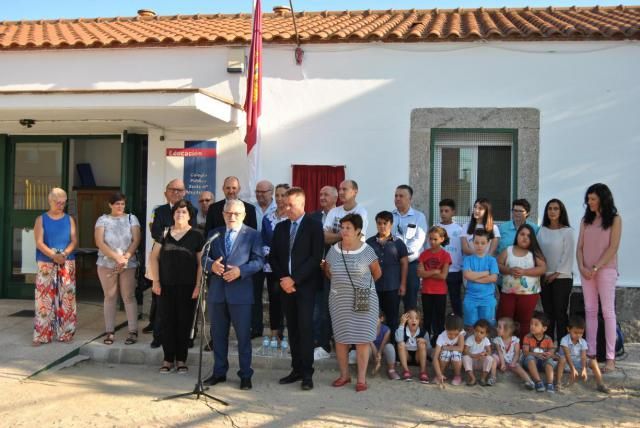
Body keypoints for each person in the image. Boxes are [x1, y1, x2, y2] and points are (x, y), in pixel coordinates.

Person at [203, 200, 264, 390]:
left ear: (244, 215)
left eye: (236, 214)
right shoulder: (214, 234)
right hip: (217, 294)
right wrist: (211, 265)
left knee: (243, 337)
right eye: (228, 213)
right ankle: (219, 372)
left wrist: (241, 271)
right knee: (218, 335)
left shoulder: (253, 235)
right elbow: (204, 258)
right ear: (222, 214)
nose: (232, 217)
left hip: (241, 294)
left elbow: (259, 261)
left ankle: (245, 374)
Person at [270, 187, 324, 391]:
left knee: (305, 329)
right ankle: (296, 369)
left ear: (302, 204)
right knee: (291, 329)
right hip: (286, 287)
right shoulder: (281, 228)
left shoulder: (314, 226)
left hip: (305, 287)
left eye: (290, 204)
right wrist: (284, 279)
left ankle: (307, 374)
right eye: (284, 204)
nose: (286, 208)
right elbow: (273, 257)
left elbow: (315, 258)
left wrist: (294, 279)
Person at [324, 214, 381, 392]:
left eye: (348, 227)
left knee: (362, 340)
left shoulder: (367, 250)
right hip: (339, 300)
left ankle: (361, 379)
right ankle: (344, 375)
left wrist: (361, 287)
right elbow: (327, 272)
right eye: (342, 227)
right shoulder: (333, 250)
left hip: (364, 300)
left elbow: (377, 274)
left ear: (358, 231)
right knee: (341, 339)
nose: (344, 231)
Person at [149, 200, 203, 374]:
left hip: (188, 288)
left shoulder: (197, 235)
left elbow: (201, 263)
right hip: (165, 286)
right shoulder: (164, 233)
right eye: (177, 212)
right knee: (166, 322)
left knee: (184, 323)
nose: (180, 215)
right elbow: (153, 258)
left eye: (184, 212)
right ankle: (167, 359)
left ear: (190, 216)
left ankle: (181, 360)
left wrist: (198, 285)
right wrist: (155, 282)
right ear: (173, 215)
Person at [145, 179, 198, 348]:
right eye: (172, 189)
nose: (176, 192)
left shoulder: (192, 210)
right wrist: (173, 231)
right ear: (165, 192)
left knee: (186, 306)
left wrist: (173, 230)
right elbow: (156, 232)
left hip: (185, 263)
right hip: (163, 259)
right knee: (160, 302)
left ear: (185, 192)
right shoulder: (159, 210)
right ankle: (158, 335)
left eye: (180, 190)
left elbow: (192, 231)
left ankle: (188, 337)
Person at [576, 183, 622, 373]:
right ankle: (592, 354)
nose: (589, 202)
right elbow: (579, 247)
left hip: (606, 270)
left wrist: (596, 267)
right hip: (586, 271)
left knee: (608, 312)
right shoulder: (585, 220)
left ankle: (610, 358)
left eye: (593, 198)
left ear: (603, 199)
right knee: (590, 311)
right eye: (588, 199)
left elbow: (613, 247)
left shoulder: (615, 219)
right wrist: (582, 267)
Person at [94, 191, 141, 346]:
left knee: (128, 296)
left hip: (128, 263)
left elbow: (136, 239)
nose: (120, 206)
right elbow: (99, 242)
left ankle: (133, 331)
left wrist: (125, 257)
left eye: (122, 203)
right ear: (110, 205)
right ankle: (110, 331)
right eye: (117, 204)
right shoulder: (103, 220)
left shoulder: (131, 218)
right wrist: (116, 257)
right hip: (107, 263)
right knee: (110, 296)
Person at [33, 188, 77, 345]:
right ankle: (42, 335)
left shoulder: (69, 219)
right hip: (46, 262)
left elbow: (74, 240)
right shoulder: (41, 219)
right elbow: (39, 242)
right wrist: (53, 256)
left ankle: (66, 333)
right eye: (58, 202)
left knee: (67, 298)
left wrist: (63, 255)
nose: (61, 205)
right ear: (50, 201)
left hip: (67, 261)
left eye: (64, 202)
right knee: (44, 299)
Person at [497, 224, 547, 340]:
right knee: (505, 319)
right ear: (517, 235)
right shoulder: (508, 250)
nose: (525, 237)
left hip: (529, 295)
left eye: (528, 236)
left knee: (525, 322)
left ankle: (522, 348)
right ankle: (504, 345)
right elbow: (498, 265)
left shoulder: (534, 253)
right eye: (522, 234)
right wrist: (509, 270)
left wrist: (525, 271)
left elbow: (543, 268)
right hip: (508, 293)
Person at [366, 211, 408, 340]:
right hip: (373, 287)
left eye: (385, 223)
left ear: (391, 224)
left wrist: (403, 284)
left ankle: (393, 348)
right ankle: (374, 347)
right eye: (379, 223)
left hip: (392, 286)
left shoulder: (399, 243)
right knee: (372, 317)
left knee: (392, 318)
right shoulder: (369, 242)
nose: (382, 226)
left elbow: (404, 264)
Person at [537, 199, 575, 341]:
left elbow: (568, 254)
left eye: (556, 208)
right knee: (548, 313)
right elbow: (538, 252)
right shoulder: (542, 231)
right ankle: (548, 344)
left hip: (562, 277)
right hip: (544, 277)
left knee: (560, 312)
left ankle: (562, 345)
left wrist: (556, 273)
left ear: (561, 211)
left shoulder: (568, 231)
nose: (552, 211)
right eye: (550, 208)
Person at [310, 185, 338, 357]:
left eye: (326, 194)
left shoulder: (342, 217)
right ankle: (319, 343)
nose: (322, 197)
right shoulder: (313, 217)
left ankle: (331, 344)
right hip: (315, 269)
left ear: (336, 198)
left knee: (333, 308)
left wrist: (328, 237)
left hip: (336, 268)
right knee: (317, 307)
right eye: (320, 194)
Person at [260, 183, 290, 343]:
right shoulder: (268, 217)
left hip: (289, 268)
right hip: (271, 266)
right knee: (274, 300)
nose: (279, 198)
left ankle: (288, 332)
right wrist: (272, 257)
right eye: (277, 195)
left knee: (288, 301)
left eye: (283, 195)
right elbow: (264, 241)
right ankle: (274, 333)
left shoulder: (293, 217)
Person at [392, 184, 428, 312]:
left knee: (410, 303)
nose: (397, 198)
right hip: (393, 266)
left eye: (401, 196)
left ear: (410, 199)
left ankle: (410, 331)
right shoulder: (390, 217)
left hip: (411, 265)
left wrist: (399, 255)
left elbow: (418, 242)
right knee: (391, 302)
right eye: (396, 196)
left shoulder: (419, 217)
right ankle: (394, 330)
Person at [417, 226, 451, 344]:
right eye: (430, 239)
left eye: (435, 239)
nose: (432, 242)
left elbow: (443, 276)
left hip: (440, 292)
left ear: (442, 239)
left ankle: (439, 343)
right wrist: (435, 271)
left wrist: (427, 274)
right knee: (427, 318)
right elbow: (420, 273)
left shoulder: (445, 255)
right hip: (426, 291)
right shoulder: (424, 254)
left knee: (439, 319)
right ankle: (425, 344)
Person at [462, 229, 499, 328]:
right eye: (477, 242)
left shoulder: (492, 260)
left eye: (483, 243)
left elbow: (493, 278)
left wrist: (474, 277)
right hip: (471, 298)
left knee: (487, 328)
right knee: (470, 328)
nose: (479, 245)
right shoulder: (467, 259)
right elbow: (467, 275)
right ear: (472, 243)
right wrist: (486, 273)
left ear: (488, 243)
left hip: (487, 299)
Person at [436, 199, 464, 317]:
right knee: (438, 300)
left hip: (454, 270)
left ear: (453, 212)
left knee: (455, 299)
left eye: (446, 211)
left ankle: (458, 324)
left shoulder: (459, 229)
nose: (443, 213)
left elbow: (462, 250)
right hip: (438, 271)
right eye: (441, 211)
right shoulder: (435, 228)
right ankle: (438, 325)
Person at [492, 317, 535, 390]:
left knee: (517, 366)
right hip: (502, 359)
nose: (497, 329)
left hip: (512, 359)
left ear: (507, 330)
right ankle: (492, 377)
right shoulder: (497, 340)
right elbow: (500, 352)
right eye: (497, 327)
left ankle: (529, 381)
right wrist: (502, 364)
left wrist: (513, 362)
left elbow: (517, 353)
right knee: (494, 358)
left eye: (499, 327)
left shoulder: (515, 340)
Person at [522, 311, 558, 393]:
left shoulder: (548, 339)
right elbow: (525, 352)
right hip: (530, 363)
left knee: (549, 361)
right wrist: (537, 354)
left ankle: (550, 383)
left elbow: (551, 350)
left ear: (544, 328)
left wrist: (549, 354)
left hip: (543, 363)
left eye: (536, 324)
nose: (532, 326)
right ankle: (538, 382)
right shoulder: (527, 337)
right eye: (531, 324)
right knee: (530, 358)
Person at [324, 180, 368, 244]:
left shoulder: (361, 212)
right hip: (335, 252)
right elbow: (325, 237)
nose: (341, 192)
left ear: (355, 192)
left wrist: (333, 235)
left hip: (354, 253)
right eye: (340, 189)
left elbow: (358, 237)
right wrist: (347, 234)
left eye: (344, 189)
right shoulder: (333, 211)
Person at [395, 309, 429, 383]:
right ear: (406, 319)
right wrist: (402, 324)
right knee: (401, 344)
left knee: (422, 344)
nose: (414, 320)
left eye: (416, 318)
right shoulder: (402, 330)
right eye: (410, 318)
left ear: (419, 321)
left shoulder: (423, 332)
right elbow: (398, 339)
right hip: (406, 356)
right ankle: (406, 371)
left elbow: (429, 348)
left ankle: (423, 371)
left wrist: (425, 341)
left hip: (418, 357)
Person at [432, 314, 465, 386]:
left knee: (456, 353)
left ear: (460, 330)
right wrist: (438, 374)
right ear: (445, 327)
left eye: (455, 334)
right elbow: (435, 358)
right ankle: (441, 374)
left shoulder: (460, 333)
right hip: (444, 360)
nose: (453, 336)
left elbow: (461, 348)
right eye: (450, 334)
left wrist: (446, 347)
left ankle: (457, 375)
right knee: (445, 353)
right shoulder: (441, 337)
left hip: (455, 359)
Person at [462, 319, 496, 386]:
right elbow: (465, 351)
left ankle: (483, 378)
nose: (478, 334)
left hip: (481, 362)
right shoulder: (470, 339)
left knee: (490, 359)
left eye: (481, 332)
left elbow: (489, 351)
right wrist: (474, 355)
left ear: (486, 334)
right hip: (472, 362)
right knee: (465, 358)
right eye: (476, 331)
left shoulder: (486, 340)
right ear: (473, 330)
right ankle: (473, 378)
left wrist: (485, 354)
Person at [370, 311, 398, 380]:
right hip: (370, 350)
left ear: (381, 319)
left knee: (390, 347)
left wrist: (379, 353)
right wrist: (377, 360)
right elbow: (370, 342)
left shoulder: (386, 330)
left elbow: (383, 344)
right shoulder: (368, 329)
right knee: (366, 347)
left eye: (375, 318)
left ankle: (391, 370)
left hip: (381, 350)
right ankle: (362, 369)